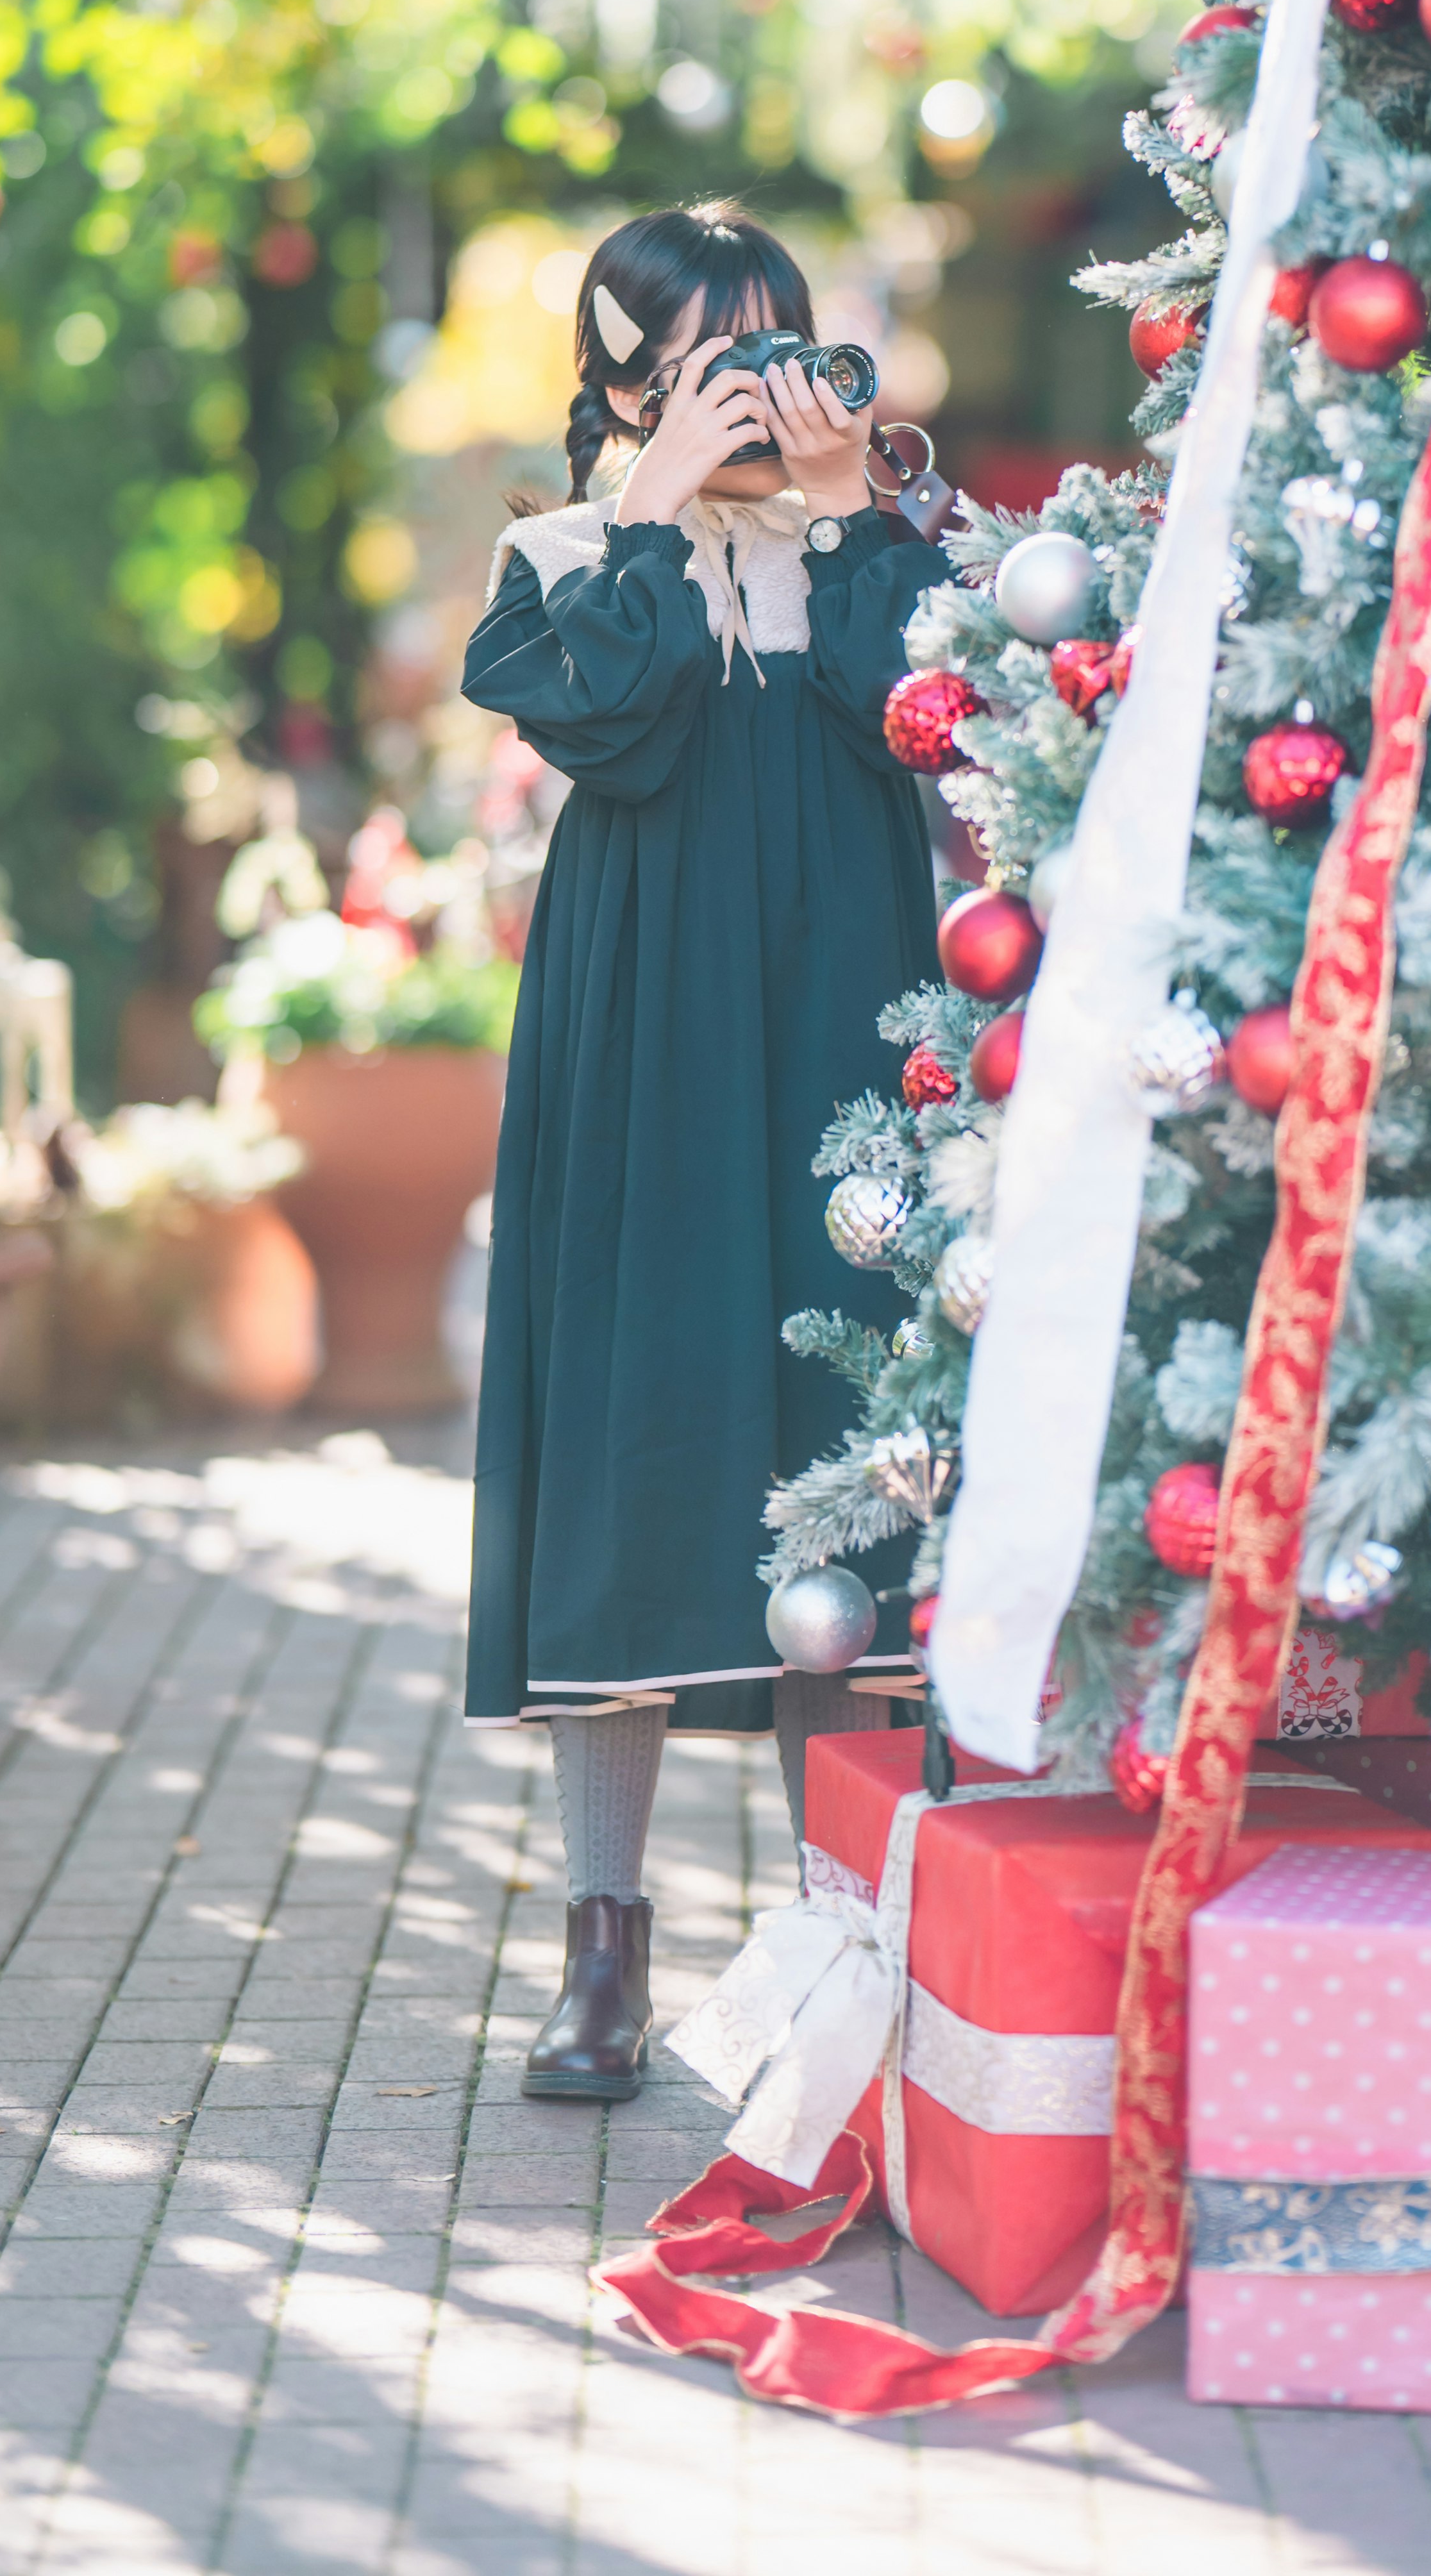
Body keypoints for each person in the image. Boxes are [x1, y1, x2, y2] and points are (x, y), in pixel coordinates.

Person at [461, 202, 941, 2104]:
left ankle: (870, 1934)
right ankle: (604, 1951)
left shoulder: (871, 549)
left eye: (781, 347)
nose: (753, 389)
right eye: (712, 355)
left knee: (858, 1440)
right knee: (643, 1439)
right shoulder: (569, 556)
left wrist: (842, 513)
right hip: (650, 1037)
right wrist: (658, 503)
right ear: (630, 369)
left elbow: (921, 719)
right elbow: (613, 722)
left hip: (847, 1023)